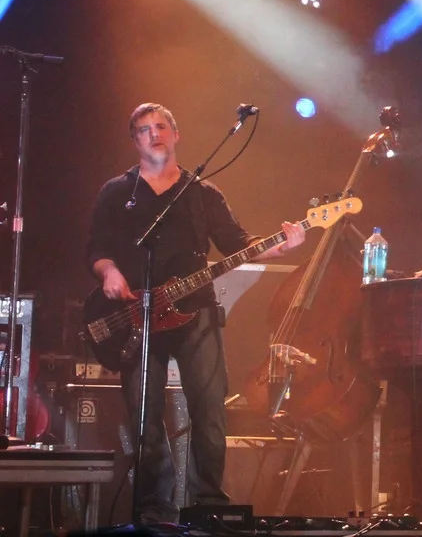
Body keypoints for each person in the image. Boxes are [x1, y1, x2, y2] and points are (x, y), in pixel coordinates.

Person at [85, 103, 306, 523]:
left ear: (176, 133)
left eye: (162, 126)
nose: (155, 134)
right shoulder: (117, 192)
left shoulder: (202, 193)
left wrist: (283, 242)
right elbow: (95, 249)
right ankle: (155, 508)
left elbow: (238, 242)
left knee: (209, 407)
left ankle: (210, 506)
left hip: (197, 310)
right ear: (134, 140)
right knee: (144, 416)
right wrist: (109, 271)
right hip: (138, 316)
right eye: (145, 129)